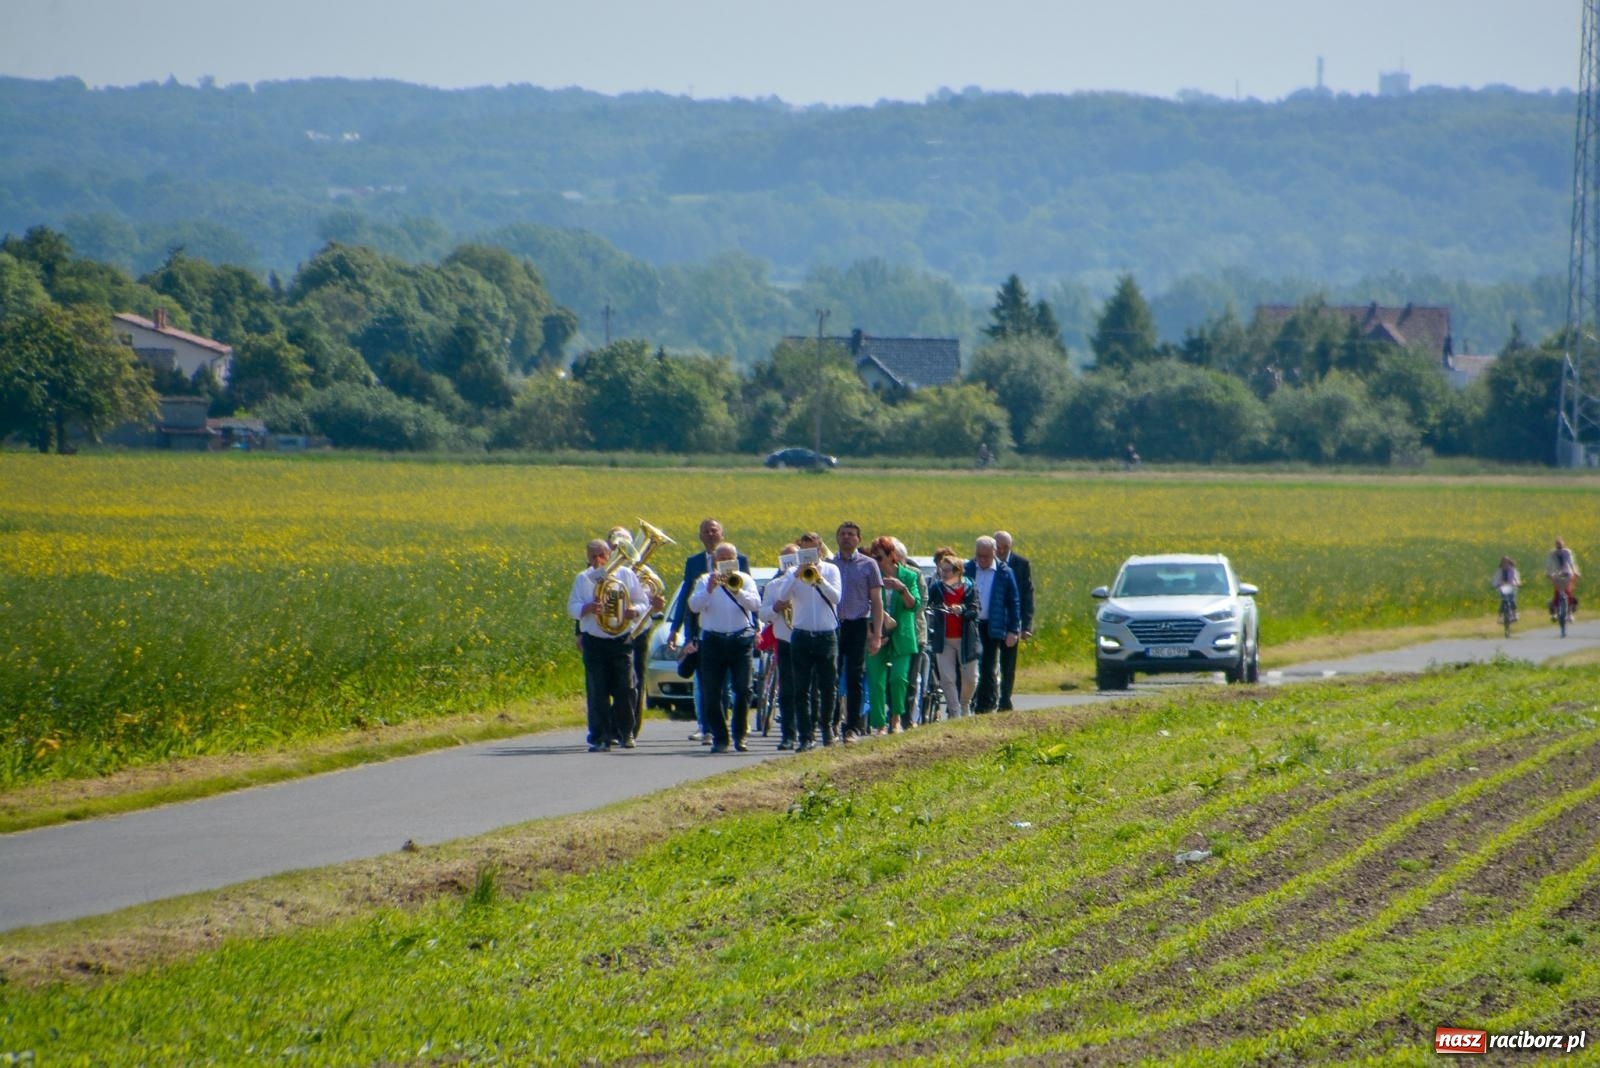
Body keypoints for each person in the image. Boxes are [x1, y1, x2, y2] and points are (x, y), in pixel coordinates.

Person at [666, 518, 749, 744]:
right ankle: (707, 727)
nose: (711, 534)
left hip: (737, 634)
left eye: (715, 531)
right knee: (707, 684)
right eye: (706, 531)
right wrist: (677, 629)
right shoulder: (694, 564)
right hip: (704, 632)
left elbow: (752, 602)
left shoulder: (741, 561)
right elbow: (687, 599)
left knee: (737, 687)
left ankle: (735, 727)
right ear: (700, 536)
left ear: (722, 534)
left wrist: (756, 626)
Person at [568, 538, 649, 752]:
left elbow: (642, 601)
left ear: (609, 555)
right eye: (593, 556)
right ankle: (600, 737)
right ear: (587, 557)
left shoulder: (625, 574)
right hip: (595, 642)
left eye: (601, 555)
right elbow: (572, 607)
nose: (597, 560)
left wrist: (635, 611)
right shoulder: (583, 578)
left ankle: (626, 732)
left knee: (627, 689)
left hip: (621, 640)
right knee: (597, 691)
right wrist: (587, 608)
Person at [770, 531, 842, 750]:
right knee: (801, 688)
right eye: (804, 550)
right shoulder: (792, 572)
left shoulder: (831, 570)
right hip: (801, 634)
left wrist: (819, 579)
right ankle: (805, 736)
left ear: (820, 549)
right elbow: (782, 597)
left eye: (812, 549)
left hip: (826, 634)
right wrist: (795, 575)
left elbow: (837, 598)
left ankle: (827, 727)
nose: (808, 554)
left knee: (828, 685)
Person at [687, 543, 760, 753]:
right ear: (714, 561)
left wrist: (737, 591)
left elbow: (755, 604)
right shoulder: (703, 580)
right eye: (721, 559)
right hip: (713, 641)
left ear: (736, 560)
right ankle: (720, 737)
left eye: (730, 558)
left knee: (744, 689)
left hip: (740, 640)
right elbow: (694, 606)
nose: (726, 562)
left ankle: (740, 735)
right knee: (712, 692)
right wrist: (709, 589)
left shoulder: (745, 580)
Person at [608, 525, 666, 743]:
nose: (619, 550)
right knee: (613, 682)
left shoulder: (645, 574)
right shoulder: (602, 570)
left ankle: (630, 728)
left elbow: (656, 597)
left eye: (624, 547)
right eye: (615, 546)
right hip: (610, 632)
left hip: (638, 631)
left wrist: (655, 605)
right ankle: (612, 727)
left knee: (636, 682)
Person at [833, 521, 885, 742]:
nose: (847, 537)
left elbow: (877, 601)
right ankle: (831, 723)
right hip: (833, 626)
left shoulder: (869, 564)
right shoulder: (828, 564)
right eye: (843, 534)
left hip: (857, 624)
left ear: (858, 539)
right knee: (831, 677)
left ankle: (852, 728)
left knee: (854, 677)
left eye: (851, 534)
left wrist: (877, 634)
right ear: (837, 538)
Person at [865, 536, 922, 735]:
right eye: (873, 558)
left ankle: (896, 718)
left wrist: (901, 588)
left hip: (902, 635)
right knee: (877, 681)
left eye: (879, 558)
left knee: (898, 678)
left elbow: (914, 605)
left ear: (892, 556)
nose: (877, 562)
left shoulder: (909, 576)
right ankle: (880, 724)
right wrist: (874, 634)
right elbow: (863, 607)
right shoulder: (871, 576)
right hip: (876, 634)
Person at [964, 535, 1021, 714]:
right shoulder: (968, 569)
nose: (982, 560)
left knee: (988, 666)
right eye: (979, 556)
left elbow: (1014, 602)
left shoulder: (1004, 572)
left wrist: (1013, 630)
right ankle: (969, 701)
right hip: (971, 624)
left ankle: (985, 706)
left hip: (992, 625)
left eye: (986, 556)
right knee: (970, 666)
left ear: (994, 553)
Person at [927, 553, 981, 718]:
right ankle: (955, 711)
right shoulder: (937, 588)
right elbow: (928, 605)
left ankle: (965, 704)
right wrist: (937, 609)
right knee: (947, 678)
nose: (943, 573)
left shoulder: (969, 587)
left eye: (947, 570)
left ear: (958, 571)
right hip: (944, 640)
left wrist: (962, 609)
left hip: (965, 639)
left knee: (971, 678)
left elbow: (975, 609)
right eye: (942, 570)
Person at [759, 543, 801, 750]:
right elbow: (763, 614)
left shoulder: (810, 581)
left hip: (808, 639)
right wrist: (776, 607)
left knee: (809, 687)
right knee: (787, 690)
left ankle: (807, 731)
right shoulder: (773, 586)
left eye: (793, 558)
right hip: (785, 640)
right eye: (785, 559)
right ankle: (788, 735)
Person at [993, 531, 1034, 712]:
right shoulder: (986, 563)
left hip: (1012, 622)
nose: (1001, 551)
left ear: (1010, 547)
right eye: (998, 548)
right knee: (988, 662)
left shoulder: (1021, 564)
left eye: (1005, 548)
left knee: (1008, 664)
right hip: (991, 621)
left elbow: (1026, 596)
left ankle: (1005, 699)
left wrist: (1025, 626)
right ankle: (990, 697)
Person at [1545, 538, 1581, 618]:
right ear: (1555, 545)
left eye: (1560, 544)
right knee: (1557, 591)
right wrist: (1548, 572)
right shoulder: (1552, 553)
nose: (1559, 546)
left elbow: (1571, 562)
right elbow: (1549, 564)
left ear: (1563, 545)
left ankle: (1570, 613)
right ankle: (1555, 611)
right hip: (1556, 573)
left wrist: (1575, 571)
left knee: (1569, 591)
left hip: (1567, 572)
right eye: (1558, 544)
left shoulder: (1567, 552)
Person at [1492, 555, 1521, 622]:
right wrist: (1496, 584)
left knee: (1512, 600)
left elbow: (1516, 578)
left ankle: (1514, 613)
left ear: (1510, 563)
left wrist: (1517, 583)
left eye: (1507, 562)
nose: (1505, 564)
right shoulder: (1499, 571)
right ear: (1501, 564)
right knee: (1503, 600)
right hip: (1503, 587)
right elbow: (1495, 580)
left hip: (1512, 586)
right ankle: (1501, 616)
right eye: (1504, 563)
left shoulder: (1513, 570)